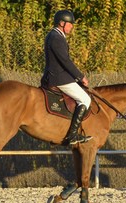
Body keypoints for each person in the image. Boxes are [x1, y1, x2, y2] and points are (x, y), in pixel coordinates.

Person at [41, 10, 92, 145]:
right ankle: (72, 135)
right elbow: (65, 61)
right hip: (58, 78)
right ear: (62, 23)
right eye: (70, 24)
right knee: (85, 99)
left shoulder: (53, 35)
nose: (72, 27)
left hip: (56, 75)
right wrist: (81, 77)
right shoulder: (57, 38)